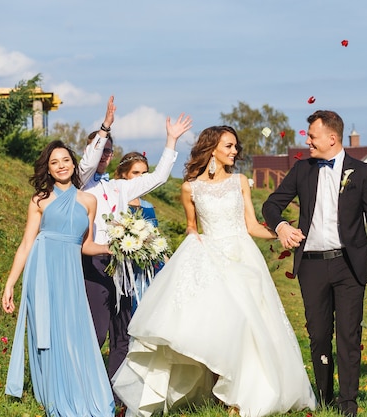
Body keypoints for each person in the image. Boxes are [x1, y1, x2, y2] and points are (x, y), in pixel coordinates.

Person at [112, 125, 317, 417]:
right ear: (212, 148)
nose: (235, 151)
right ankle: (218, 390)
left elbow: (251, 226)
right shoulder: (189, 188)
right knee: (216, 326)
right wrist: (192, 247)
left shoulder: (240, 182)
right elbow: (192, 228)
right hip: (208, 259)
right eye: (229, 146)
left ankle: (241, 396)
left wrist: (282, 234)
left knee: (248, 324)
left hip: (242, 259)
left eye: (235, 147)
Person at [263, 110, 367, 417]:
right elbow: (271, 204)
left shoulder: (363, 172)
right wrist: (281, 226)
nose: (307, 141)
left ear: (331, 138)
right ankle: (324, 397)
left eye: (312, 136)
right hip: (311, 265)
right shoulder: (302, 170)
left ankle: (348, 403)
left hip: (349, 265)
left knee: (349, 335)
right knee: (319, 334)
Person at [80, 108, 192, 405]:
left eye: (109, 152)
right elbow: (88, 163)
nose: (104, 156)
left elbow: (158, 177)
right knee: (97, 331)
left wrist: (171, 142)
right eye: (100, 150)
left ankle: (115, 397)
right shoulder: (81, 184)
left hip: (122, 265)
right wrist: (104, 127)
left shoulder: (119, 186)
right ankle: (85, 389)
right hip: (94, 262)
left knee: (123, 333)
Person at [2, 140, 115, 416]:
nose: (61, 166)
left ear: (74, 164)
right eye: (54, 162)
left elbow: (85, 244)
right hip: (42, 268)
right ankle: (50, 393)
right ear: (49, 170)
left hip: (71, 272)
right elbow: (27, 243)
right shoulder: (40, 199)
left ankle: (79, 388)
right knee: (48, 330)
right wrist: (10, 284)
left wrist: (112, 247)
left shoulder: (89, 201)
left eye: (65, 160)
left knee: (73, 332)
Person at [113, 152, 164, 312]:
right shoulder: (117, 203)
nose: (141, 178)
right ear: (123, 174)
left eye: (144, 173)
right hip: (126, 268)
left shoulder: (148, 206)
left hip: (151, 266)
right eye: (136, 173)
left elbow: (156, 236)